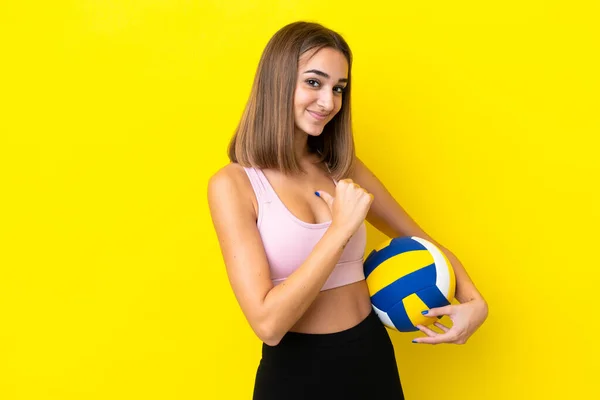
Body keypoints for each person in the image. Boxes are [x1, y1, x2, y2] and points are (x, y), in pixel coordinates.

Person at [207, 21, 488, 400]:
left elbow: (418, 239)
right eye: (313, 82)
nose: (329, 102)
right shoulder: (234, 185)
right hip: (295, 375)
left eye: (338, 88)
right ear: (277, 80)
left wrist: (474, 301)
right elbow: (268, 324)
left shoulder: (342, 167)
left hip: (370, 358)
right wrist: (339, 230)